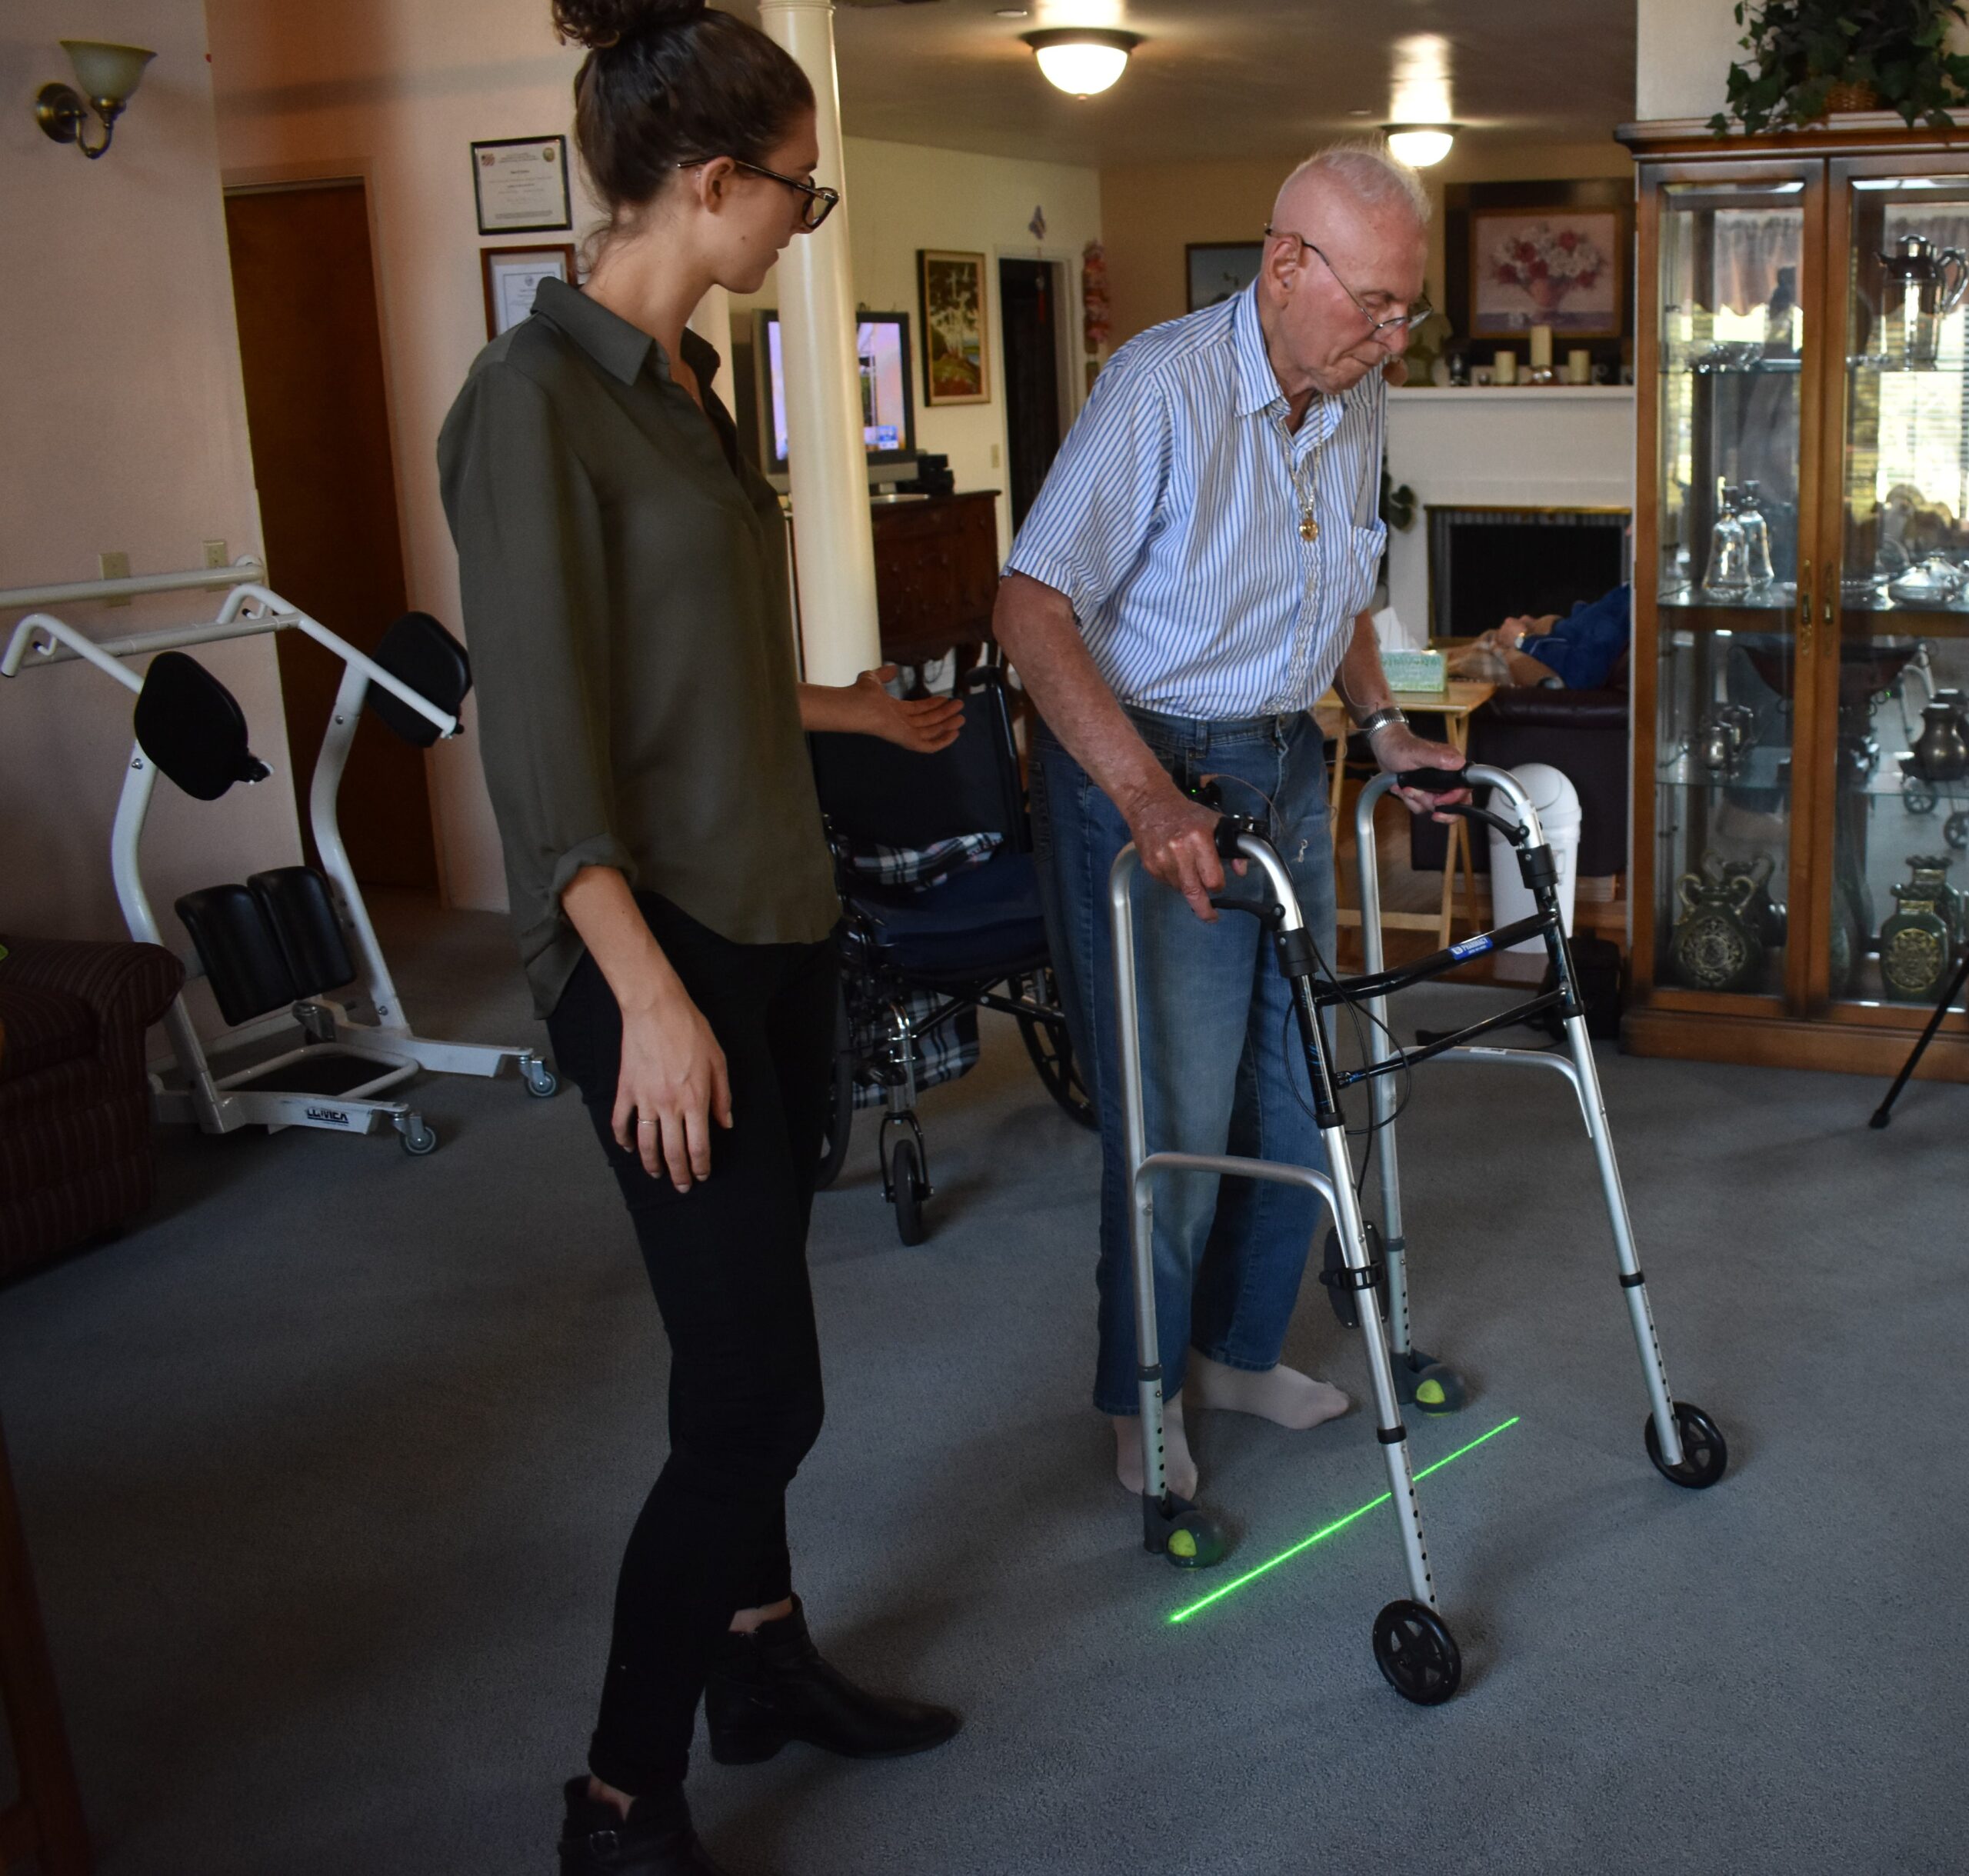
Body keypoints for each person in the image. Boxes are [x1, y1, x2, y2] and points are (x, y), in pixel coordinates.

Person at [437, 4, 961, 1870]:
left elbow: (698, 669)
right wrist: (644, 1000)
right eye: (797, 203)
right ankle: (614, 1791)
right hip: (650, 958)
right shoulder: (532, 404)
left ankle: (760, 1658)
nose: (797, 232)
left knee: (739, 1338)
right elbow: (551, 747)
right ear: (712, 181)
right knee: (760, 1393)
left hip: (767, 915)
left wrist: (845, 715)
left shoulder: (681, 385)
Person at [993, 143, 1469, 1501]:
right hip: (1156, 766)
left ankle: (1236, 1350)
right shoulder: (1162, 387)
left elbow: (1348, 595)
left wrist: (1380, 727)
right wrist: (1142, 791)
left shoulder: (1351, 388)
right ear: (1284, 266)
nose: (1393, 334)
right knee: (1177, 1101)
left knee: (1296, 1082)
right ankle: (1139, 1393)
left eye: (1406, 309)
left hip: (1286, 759)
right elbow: (1030, 611)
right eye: (1375, 304)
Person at [1450, 584, 1632, 689]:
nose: (1628, 532)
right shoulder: (1630, 590)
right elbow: (1585, 630)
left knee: (1463, 665)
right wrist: (1542, 626)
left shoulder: (1632, 603)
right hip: (1549, 638)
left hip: (1540, 659)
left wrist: (1522, 639)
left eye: (1633, 524)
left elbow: (1582, 673)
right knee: (1457, 655)